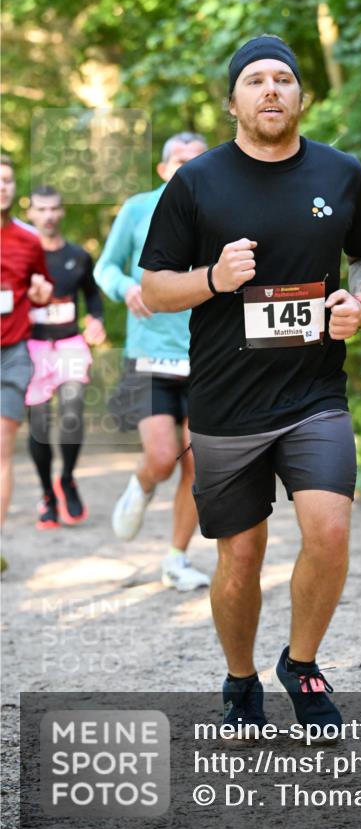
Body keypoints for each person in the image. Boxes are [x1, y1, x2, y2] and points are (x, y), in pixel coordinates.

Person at [140, 35, 361, 733]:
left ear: (301, 97)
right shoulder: (196, 183)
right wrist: (213, 279)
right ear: (232, 102)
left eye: (283, 78)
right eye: (255, 80)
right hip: (226, 403)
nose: (271, 89)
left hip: (314, 396)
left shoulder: (341, 172)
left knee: (330, 530)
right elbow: (155, 288)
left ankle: (301, 665)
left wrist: (358, 303)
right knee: (239, 556)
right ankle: (240, 677)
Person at [94, 132, 210, 593]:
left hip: (206, 358)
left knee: (198, 466)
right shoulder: (139, 209)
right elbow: (106, 266)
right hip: (151, 356)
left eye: (199, 161)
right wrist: (127, 289)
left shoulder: (221, 211)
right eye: (180, 161)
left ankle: (176, 559)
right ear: (164, 169)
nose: (189, 168)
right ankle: (142, 485)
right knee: (162, 459)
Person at [25, 185, 106, 529]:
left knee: (72, 411)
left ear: (62, 212)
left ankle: (68, 478)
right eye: (41, 209)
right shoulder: (20, 254)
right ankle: (47, 494)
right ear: (30, 213)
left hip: (71, 343)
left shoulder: (77, 255)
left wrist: (97, 319)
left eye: (53, 208)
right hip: (32, 347)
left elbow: (92, 293)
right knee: (40, 426)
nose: (48, 215)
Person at [1, 155, 54, 548]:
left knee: (1, 450)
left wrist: (41, 294)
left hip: (13, 353)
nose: (2, 186)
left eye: (7, 180)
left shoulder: (28, 239)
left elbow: (42, 288)